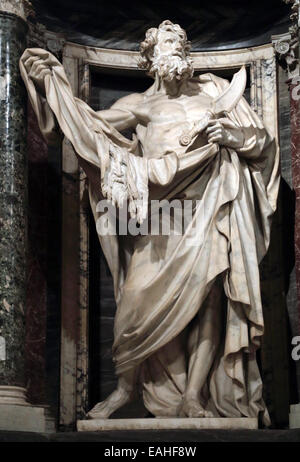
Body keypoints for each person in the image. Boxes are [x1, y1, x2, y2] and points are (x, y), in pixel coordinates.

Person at [20, 20, 279, 423]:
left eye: (179, 43)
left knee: (209, 303)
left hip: (208, 211)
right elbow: (89, 128)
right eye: (165, 44)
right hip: (161, 219)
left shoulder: (215, 94)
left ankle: (193, 396)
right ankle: (124, 388)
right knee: (132, 309)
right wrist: (52, 82)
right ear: (150, 58)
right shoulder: (140, 106)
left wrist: (230, 136)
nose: (174, 49)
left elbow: (263, 144)